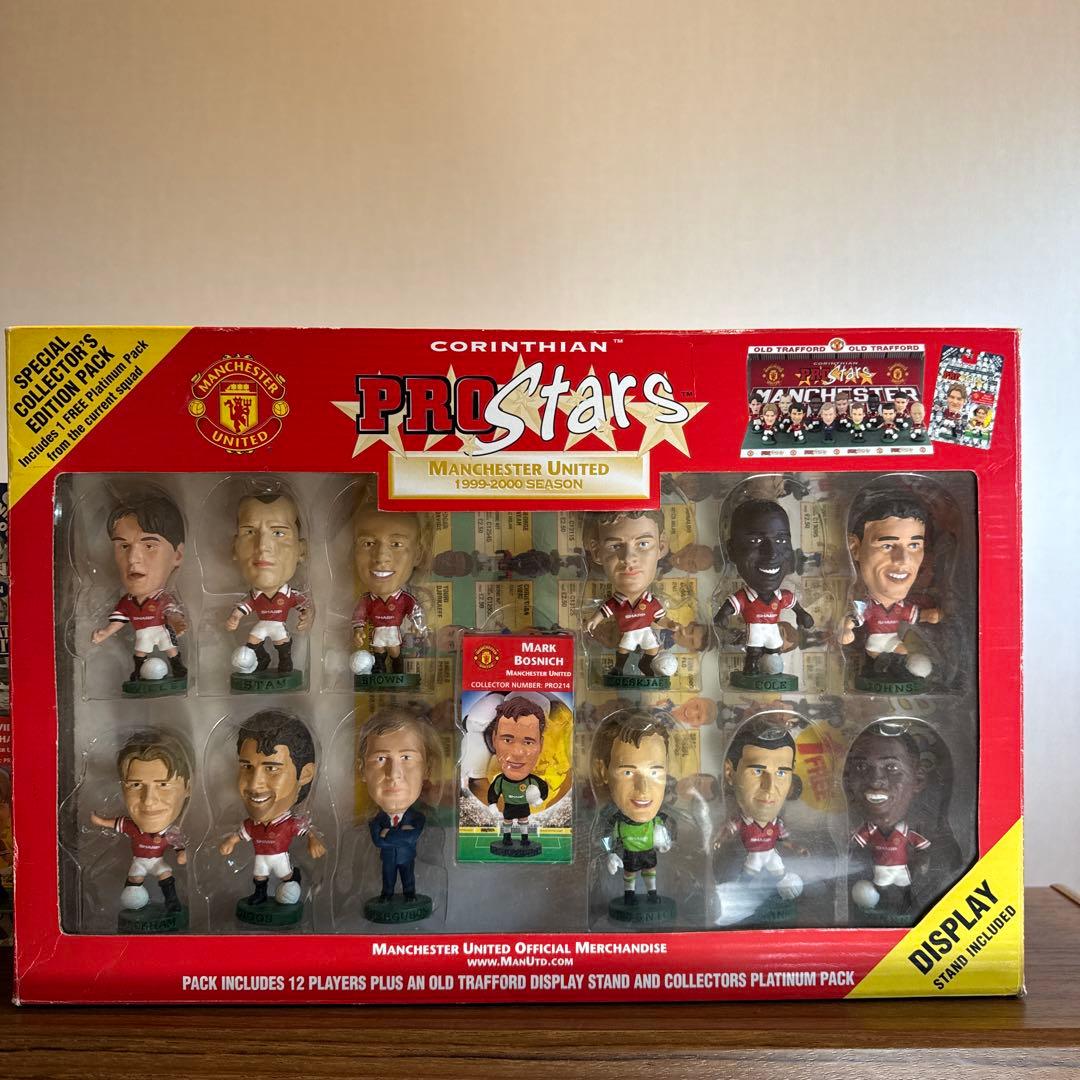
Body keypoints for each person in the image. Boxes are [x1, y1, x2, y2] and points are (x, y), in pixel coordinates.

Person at [219, 709, 326, 907]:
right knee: (259, 875)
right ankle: (260, 894)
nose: (254, 784)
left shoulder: (289, 822)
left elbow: (306, 831)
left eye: (272, 768)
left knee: (285, 874)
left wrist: (314, 841)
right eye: (247, 767)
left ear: (305, 774)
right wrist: (230, 842)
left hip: (280, 858)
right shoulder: (252, 824)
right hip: (262, 857)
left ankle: (293, 880)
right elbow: (240, 834)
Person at [842, 492, 941, 679]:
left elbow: (914, 615)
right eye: (887, 546)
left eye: (914, 545)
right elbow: (855, 617)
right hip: (874, 643)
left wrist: (930, 615)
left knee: (901, 656)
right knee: (878, 662)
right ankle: (878, 671)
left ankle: (893, 672)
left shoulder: (900, 607)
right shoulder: (868, 605)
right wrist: (846, 628)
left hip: (893, 640)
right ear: (855, 548)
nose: (903, 560)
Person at [89, 732, 191, 914]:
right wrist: (99, 821)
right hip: (139, 861)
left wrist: (182, 853)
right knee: (134, 881)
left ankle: (172, 902)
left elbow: (178, 846)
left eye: (163, 785)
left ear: (187, 788)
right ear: (123, 788)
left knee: (165, 875)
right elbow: (115, 823)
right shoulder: (133, 827)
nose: (148, 800)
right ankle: (132, 904)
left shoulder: (171, 832)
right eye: (135, 785)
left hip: (157, 862)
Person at [91, 494, 187, 684]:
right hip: (143, 633)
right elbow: (119, 619)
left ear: (177, 555)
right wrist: (105, 633)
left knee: (169, 647)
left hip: (161, 630)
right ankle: (137, 672)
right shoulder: (127, 602)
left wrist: (177, 622)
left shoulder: (162, 598)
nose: (133, 558)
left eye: (149, 545)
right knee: (140, 651)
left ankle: (177, 667)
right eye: (124, 546)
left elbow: (172, 612)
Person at [714, 500, 814, 678]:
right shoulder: (745, 596)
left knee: (774, 649)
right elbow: (731, 605)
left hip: (771, 631)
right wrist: (722, 615)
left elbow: (793, 604)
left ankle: (773, 669)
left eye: (781, 540)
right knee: (753, 651)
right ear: (732, 550)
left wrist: (802, 613)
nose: (772, 553)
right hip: (755, 631)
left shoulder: (781, 596)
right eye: (755, 540)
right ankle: (751, 668)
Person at [844, 724, 931, 914]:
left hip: (902, 875)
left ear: (918, 780)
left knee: (903, 890)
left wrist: (922, 861)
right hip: (877, 878)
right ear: (848, 779)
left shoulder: (911, 832)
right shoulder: (866, 831)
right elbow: (852, 850)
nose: (875, 781)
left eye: (891, 767)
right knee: (880, 889)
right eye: (861, 767)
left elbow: (923, 850)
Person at [227, 490, 313, 675]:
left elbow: (303, 605)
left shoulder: (289, 595)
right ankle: (262, 659)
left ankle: (285, 663)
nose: (262, 546)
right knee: (252, 642)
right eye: (250, 532)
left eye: (279, 533)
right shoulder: (254, 597)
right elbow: (244, 607)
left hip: (278, 626)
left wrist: (308, 614)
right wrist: (235, 617)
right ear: (234, 548)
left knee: (282, 645)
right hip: (263, 624)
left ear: (301, 550)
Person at [359, 709, 438, 904]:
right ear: (362, 770)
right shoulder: (376, 820)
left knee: (407, 878)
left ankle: (410, 895)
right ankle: (386, 895)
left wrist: (389, 835)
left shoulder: (417, 818)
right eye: (380, 759)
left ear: (427, 769)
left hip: (406, 859)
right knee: (388, 879)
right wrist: (401, 834)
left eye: (406, 758)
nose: (394, 774)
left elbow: (411, 837)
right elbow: (379, 841)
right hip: (387, 861)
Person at [585, 510, 677, 678]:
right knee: (623, 649)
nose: (628, 558)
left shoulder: (650, 601)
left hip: (645, 631)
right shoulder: (617, 601)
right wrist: (594, 620)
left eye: (643, 544)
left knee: (653, 649)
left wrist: (670, 624)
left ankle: (645, 664)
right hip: (629, 633)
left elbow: (659, 618)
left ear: (661, 546)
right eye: (615, 546)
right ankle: (618, 668)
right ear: (597, 552)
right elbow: (604, 611)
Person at [596, 712, 674, 906]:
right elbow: (606, 835)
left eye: (655, 772)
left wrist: (666, 839)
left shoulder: (662, 820)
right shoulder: (613, 820)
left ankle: (652, 893)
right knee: (629, 874)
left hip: (648, 855)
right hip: (628, 856)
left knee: (649, 872)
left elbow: (672, 831)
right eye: (628, 772)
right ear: (603, 772)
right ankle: (629, 895)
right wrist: (610, 854)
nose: (643, 789)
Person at [351, 506, 426, 675]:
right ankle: (379, 668)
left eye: (396, 544)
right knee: (378, 650)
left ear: (417, 555)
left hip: (393, 631)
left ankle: (398, 668)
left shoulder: (404, 598)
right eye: (368, 543)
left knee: (394, 650)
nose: (381, 557)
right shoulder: (367, 600)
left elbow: (415, 611)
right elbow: (359, 616)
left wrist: (418, 625)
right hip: (378, 631)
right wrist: (358, 630)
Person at [484, 695, 549, 850]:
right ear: (494, 739)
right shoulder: (498, 779)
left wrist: (540, 798)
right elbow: (493, 791)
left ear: (540, 745)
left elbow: (543, 787)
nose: (518, 752)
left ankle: (524, 839)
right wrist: (492, 803)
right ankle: (506, 838)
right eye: (507, 740)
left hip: (523, 808)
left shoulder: (532, 780)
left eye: (528, 742)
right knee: (507, 822)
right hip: (508, 807)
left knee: (524, 821)